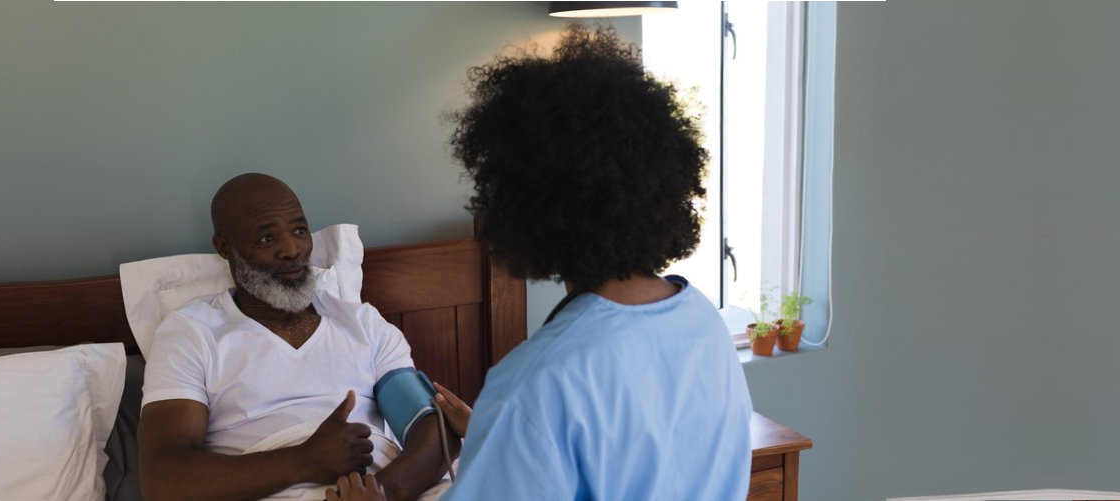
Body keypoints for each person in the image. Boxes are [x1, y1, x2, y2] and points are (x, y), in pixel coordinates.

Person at [434, 23, 755, 500]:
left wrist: (512, 426)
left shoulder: (536, 385)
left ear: (524, 202)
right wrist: (502, 436)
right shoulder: (703, 321)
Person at [136, 173, 456, 501]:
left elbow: (432, 428)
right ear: (224, 248)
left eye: (300, 231)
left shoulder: (362, 323)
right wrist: (304, 461)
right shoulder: (191, 333)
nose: (292, 250)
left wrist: (380, 493)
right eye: (266, 239)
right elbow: (163, 480)